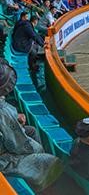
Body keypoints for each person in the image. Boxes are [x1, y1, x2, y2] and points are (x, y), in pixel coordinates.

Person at [0, 60, 63, 191]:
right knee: (48, 161)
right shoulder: (3, 112)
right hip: (4, 157)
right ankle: (42, 188)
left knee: (31, 131)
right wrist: (36, 150)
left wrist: (15, 118)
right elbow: (17, 145)